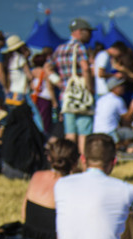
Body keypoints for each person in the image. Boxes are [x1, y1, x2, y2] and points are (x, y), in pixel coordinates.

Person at [23, 139, 79, 239]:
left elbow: (23, 213)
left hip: (28, 235)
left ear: (49, 157)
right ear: (75, 162)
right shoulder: (71, 185)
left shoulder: (36, 175)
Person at [52, 18, 94, 153]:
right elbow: (85, 68)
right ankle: (83, 163)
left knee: (70, 133)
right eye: (88, 32)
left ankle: (69, 162)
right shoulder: (79, 47)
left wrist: (59, 82)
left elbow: (47, 68)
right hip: (80, 96)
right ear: (80, 32)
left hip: (66, 97)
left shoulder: (59, 48)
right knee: (84, 132)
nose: (90, 35)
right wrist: (89, 89)